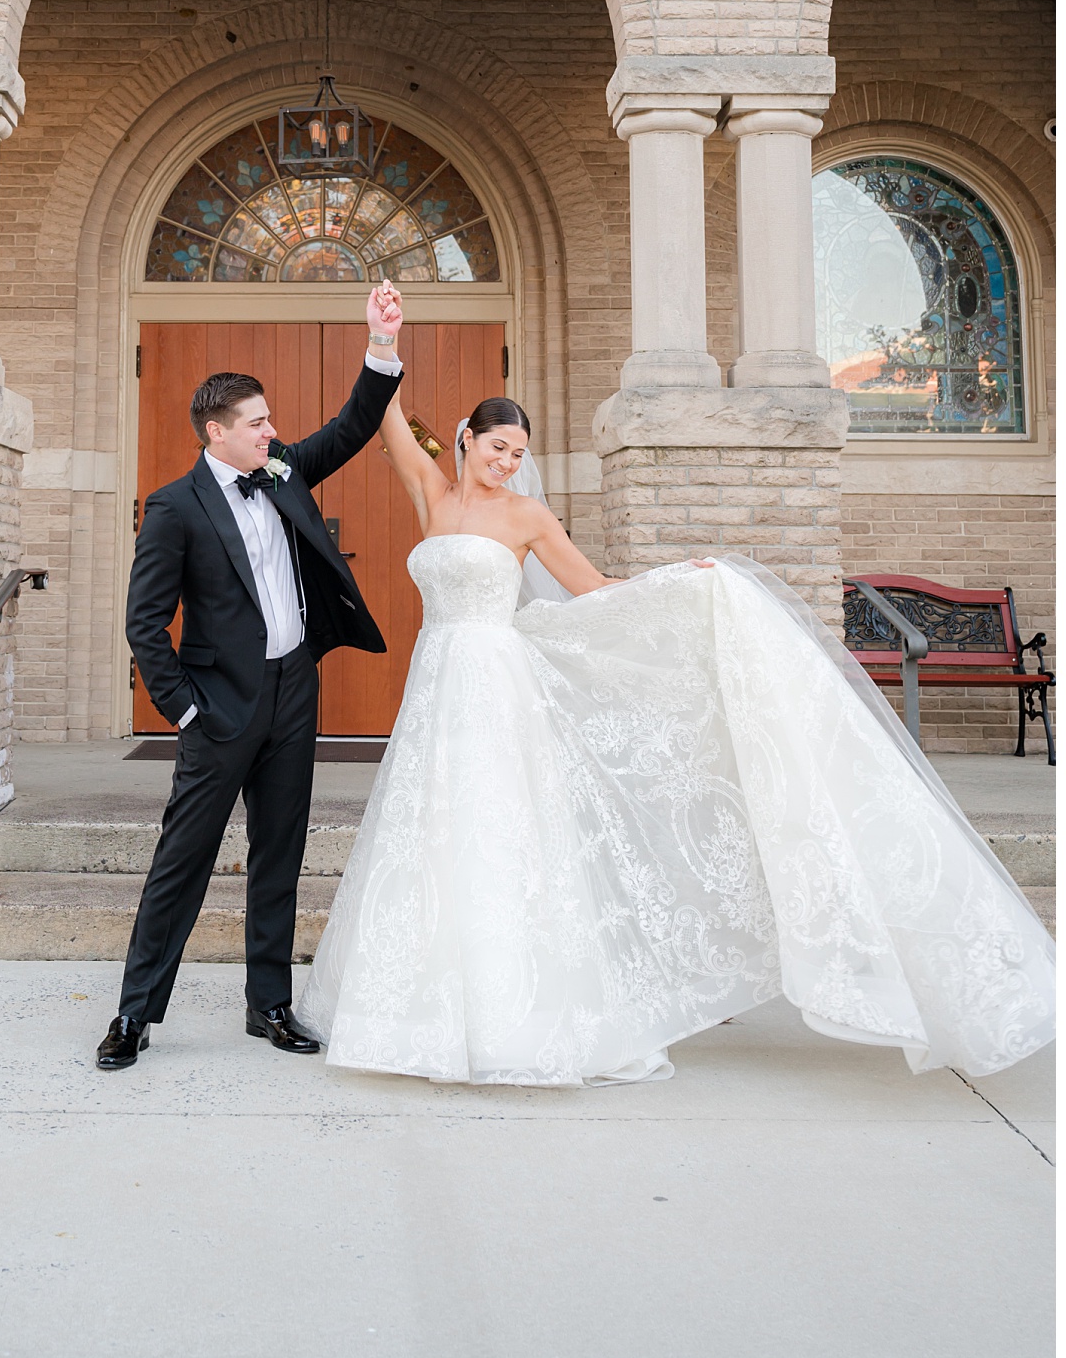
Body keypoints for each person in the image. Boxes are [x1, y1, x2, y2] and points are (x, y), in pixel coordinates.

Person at [296, 391, 1055, 1087]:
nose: (507, 462)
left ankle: (513, 1014)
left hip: (496, 686)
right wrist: (383, 340)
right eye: (497, 446)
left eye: (518, 452)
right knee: (431, 834)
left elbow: (592, 588)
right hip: (435, 687)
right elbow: (387, 423)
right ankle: (420, 1011)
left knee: (503, 833)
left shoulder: (526, 518)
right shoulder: (435, 494)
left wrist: (678, 581)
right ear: (465, 440)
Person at [96, 278, 406, 1069]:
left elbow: (353, 425)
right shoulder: (174, 508)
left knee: (281, 852)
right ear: (217, 430)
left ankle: (269, 1003)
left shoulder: (283, 471)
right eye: (259, 421)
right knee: (182, 862)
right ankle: (135, 1013)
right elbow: (144, 623)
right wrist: (186, 712)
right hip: (219, 708)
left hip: (293, 692)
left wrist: (380, 343)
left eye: (270, 420)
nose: (274, 429)